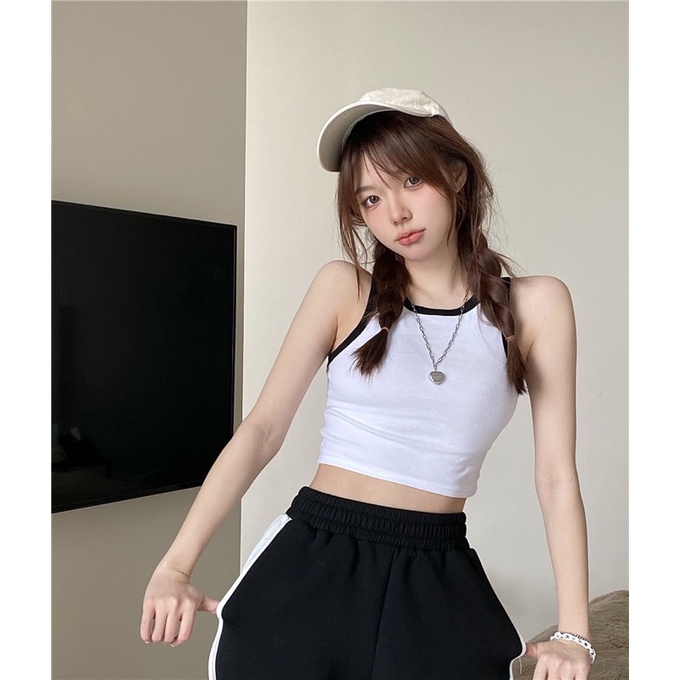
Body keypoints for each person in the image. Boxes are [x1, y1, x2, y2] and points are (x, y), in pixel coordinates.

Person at [140, 88, 594, 680]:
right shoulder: (344, 290)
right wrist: (175, 567)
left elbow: (556, 475)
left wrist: (575, 633)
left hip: (437, 572)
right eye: (371, 198)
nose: (395, 214)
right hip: (312, 559)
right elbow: (262, 431)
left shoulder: (537, 306)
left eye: (411, 181)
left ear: (456, 175)